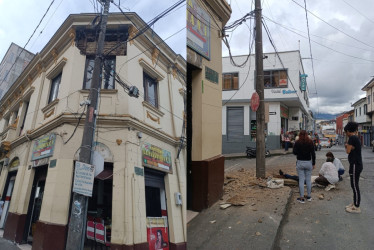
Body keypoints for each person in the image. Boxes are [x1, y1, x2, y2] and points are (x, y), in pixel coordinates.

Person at [344, 122, 363, 213]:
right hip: (356, 164)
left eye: (345, 132)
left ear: (348, 131)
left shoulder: (352, 138)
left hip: (355, 164)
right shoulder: (355, 138)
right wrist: (349, 147)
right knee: (354, 184)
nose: (345, 134)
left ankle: (356, 207)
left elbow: (347, 151)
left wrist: (347, 146)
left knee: (355, 185)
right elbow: (351, 149)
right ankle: (354, 203)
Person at [293, 130, 316, 203]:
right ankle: (309, 196)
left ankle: (302, 198)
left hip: (300, 162)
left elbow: (294, 152)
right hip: (308, 162)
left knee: (301, 180)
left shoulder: (297, 142)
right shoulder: (310, 142)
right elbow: (313, 153)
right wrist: (313, 163)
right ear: (307, 135)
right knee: (308, 180)